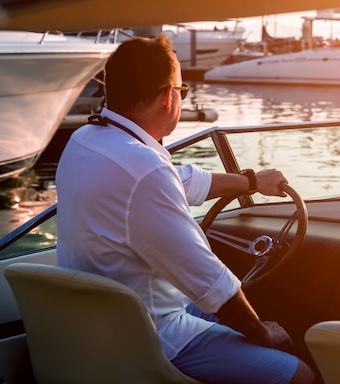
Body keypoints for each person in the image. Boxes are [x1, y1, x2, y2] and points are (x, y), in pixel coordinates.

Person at [55, 34, 316, 384]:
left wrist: (251, 182)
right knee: (298, 374)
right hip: (154, 334)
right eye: (183, 90)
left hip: (94, 325)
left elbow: (181, 180)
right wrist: (262, 335)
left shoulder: (86, 142)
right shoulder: (144, 170)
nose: (181, 97)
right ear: (168, 97)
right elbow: (212, 284)